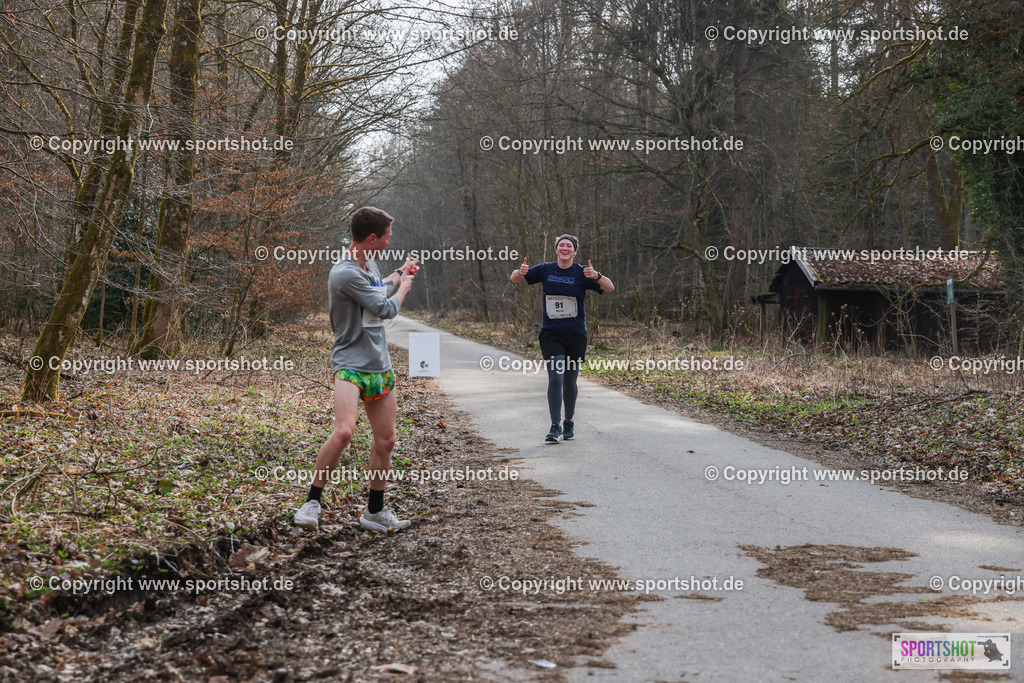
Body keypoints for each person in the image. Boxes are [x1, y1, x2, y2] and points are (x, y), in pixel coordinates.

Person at [294, 206, 418, 532]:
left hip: (379, 364)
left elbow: (377, 285)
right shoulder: (344, 272)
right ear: (372, 238)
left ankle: (374, 512)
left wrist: (398, 273)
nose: (390, 242)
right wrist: (404, 287)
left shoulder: (368, 262)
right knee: (345, 431)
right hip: (350, 363)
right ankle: (311, 503)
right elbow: (384, 306)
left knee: (387, 440)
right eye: (387, 237)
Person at [510, 234, 614, 442]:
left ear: (574, 251)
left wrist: (596, 275)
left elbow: (609, 287)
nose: (565, 248)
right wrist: (517, 271)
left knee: (569, 381)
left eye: (569, 246)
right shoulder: (546, 269)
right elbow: (515, 278)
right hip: (552, 333)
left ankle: (569, 421)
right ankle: (555, 425)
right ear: (556, 250)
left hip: (575, 335)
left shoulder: (583, 272)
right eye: (561, 245)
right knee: (556, 377)